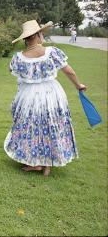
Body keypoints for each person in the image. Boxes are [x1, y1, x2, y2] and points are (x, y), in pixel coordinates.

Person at [5, 20, 86, 176]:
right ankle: (47, 163)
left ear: (26, 38)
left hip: (28, 96)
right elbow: (69, 71)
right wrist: (78, 85)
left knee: (32, 127)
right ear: (37, 35)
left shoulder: (18, 58)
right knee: (51, 126)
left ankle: (36, 162)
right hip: (51, 93)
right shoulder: (52, 52)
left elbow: (11, 69)